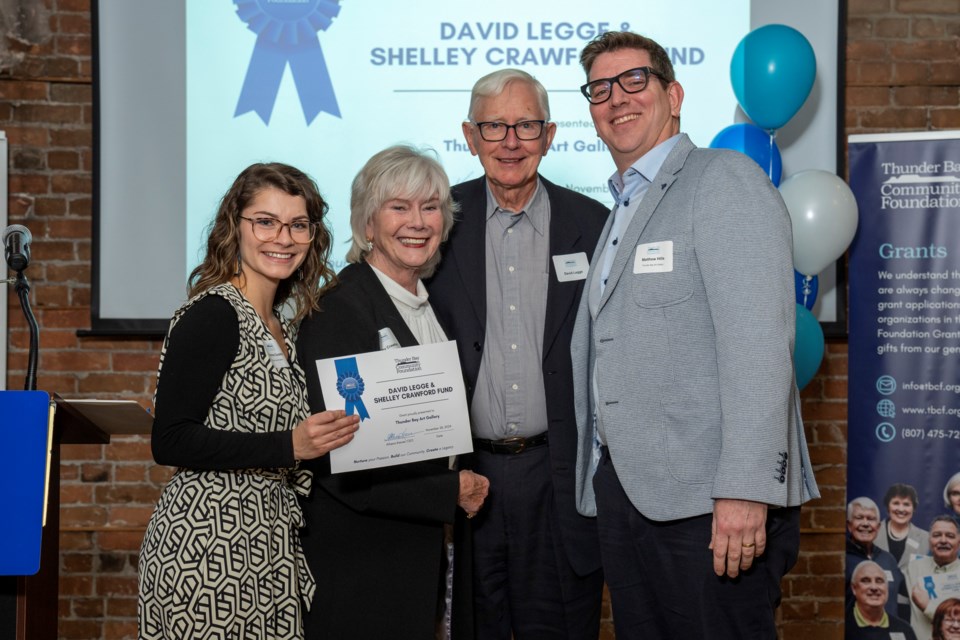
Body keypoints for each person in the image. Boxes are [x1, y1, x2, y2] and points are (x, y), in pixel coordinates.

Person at [569, 31, 820, 639]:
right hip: (631, 497)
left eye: (634, 80)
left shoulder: (721, 180)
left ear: (672, 94)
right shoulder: (623, 208)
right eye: (600, 88)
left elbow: (760, 345)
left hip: (710, 505)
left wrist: (744, 489)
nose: (616, 98)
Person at [138, 163, 360, 639]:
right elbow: (170, 439)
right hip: (207, 547)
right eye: (265, 221)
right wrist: (290, 446)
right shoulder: (214, 314)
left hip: (270, 544)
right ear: (233, 226)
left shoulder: (286, 326)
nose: (282, 237)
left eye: (298, 224)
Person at [427, 68, 608, 639]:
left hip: (557, 474)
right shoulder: (433, 221)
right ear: (470, 135)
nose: (510, 141)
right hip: (465, 476)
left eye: (526, 125)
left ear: (550, 135)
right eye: (494, 126)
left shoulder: (594, 225)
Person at [296, 145, 490, 640]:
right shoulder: (341, 310)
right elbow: (338, 464)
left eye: (430, 207)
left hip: (423, 552)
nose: (418, 222)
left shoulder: (427, 309)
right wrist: (451, 491)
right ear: (367, 226)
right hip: (366, 562)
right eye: (398, 207)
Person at [846, 497, 909, 621]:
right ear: (849, 525)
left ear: (878, 527)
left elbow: (908, 592)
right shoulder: (841, 560)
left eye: (871, 519)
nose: (865, 524)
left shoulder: (888, 559)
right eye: (859, 518)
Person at [906, 516, 960, 640]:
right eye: (937, 535)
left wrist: (928, 607)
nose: (943, 540)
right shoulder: (913, 568)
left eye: (950, 536)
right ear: (929, 540)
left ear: (959, 542)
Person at [846, 560, 918, 640]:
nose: (874, 587)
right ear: (854, 588)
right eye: (866, 581)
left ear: (886, 588)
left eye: (879, 581)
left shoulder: (904, 629)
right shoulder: (840, 627)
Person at [875, 483, 930, 570]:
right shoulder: (873, 533)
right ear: (888, 506)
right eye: (896, 503)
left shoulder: (926, 538)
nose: (901, 509)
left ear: (914, 508)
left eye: (906, 504)